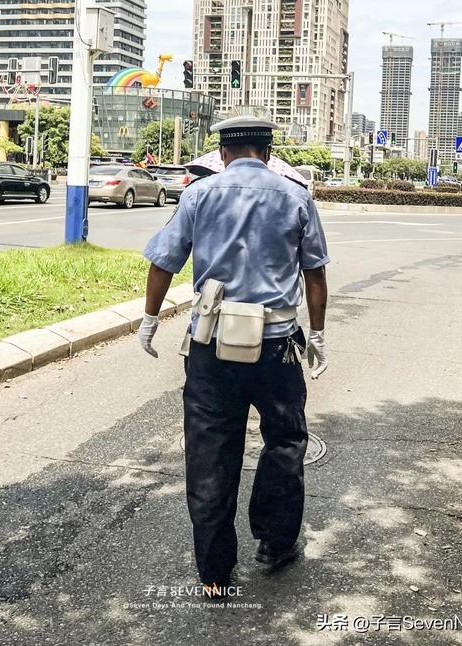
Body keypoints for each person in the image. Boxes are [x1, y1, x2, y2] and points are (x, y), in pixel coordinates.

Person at [137, 115, 329, 595]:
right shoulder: (296, 195)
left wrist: (150, 319)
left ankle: (215, 574)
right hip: (277, 346)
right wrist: (319, 335)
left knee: (210, 451)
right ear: (267, 152)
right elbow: (316, 274)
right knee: (285, 440)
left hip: (212, 345)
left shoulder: (199, 195)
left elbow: (164, 261)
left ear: (223, 153)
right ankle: (276, 542)